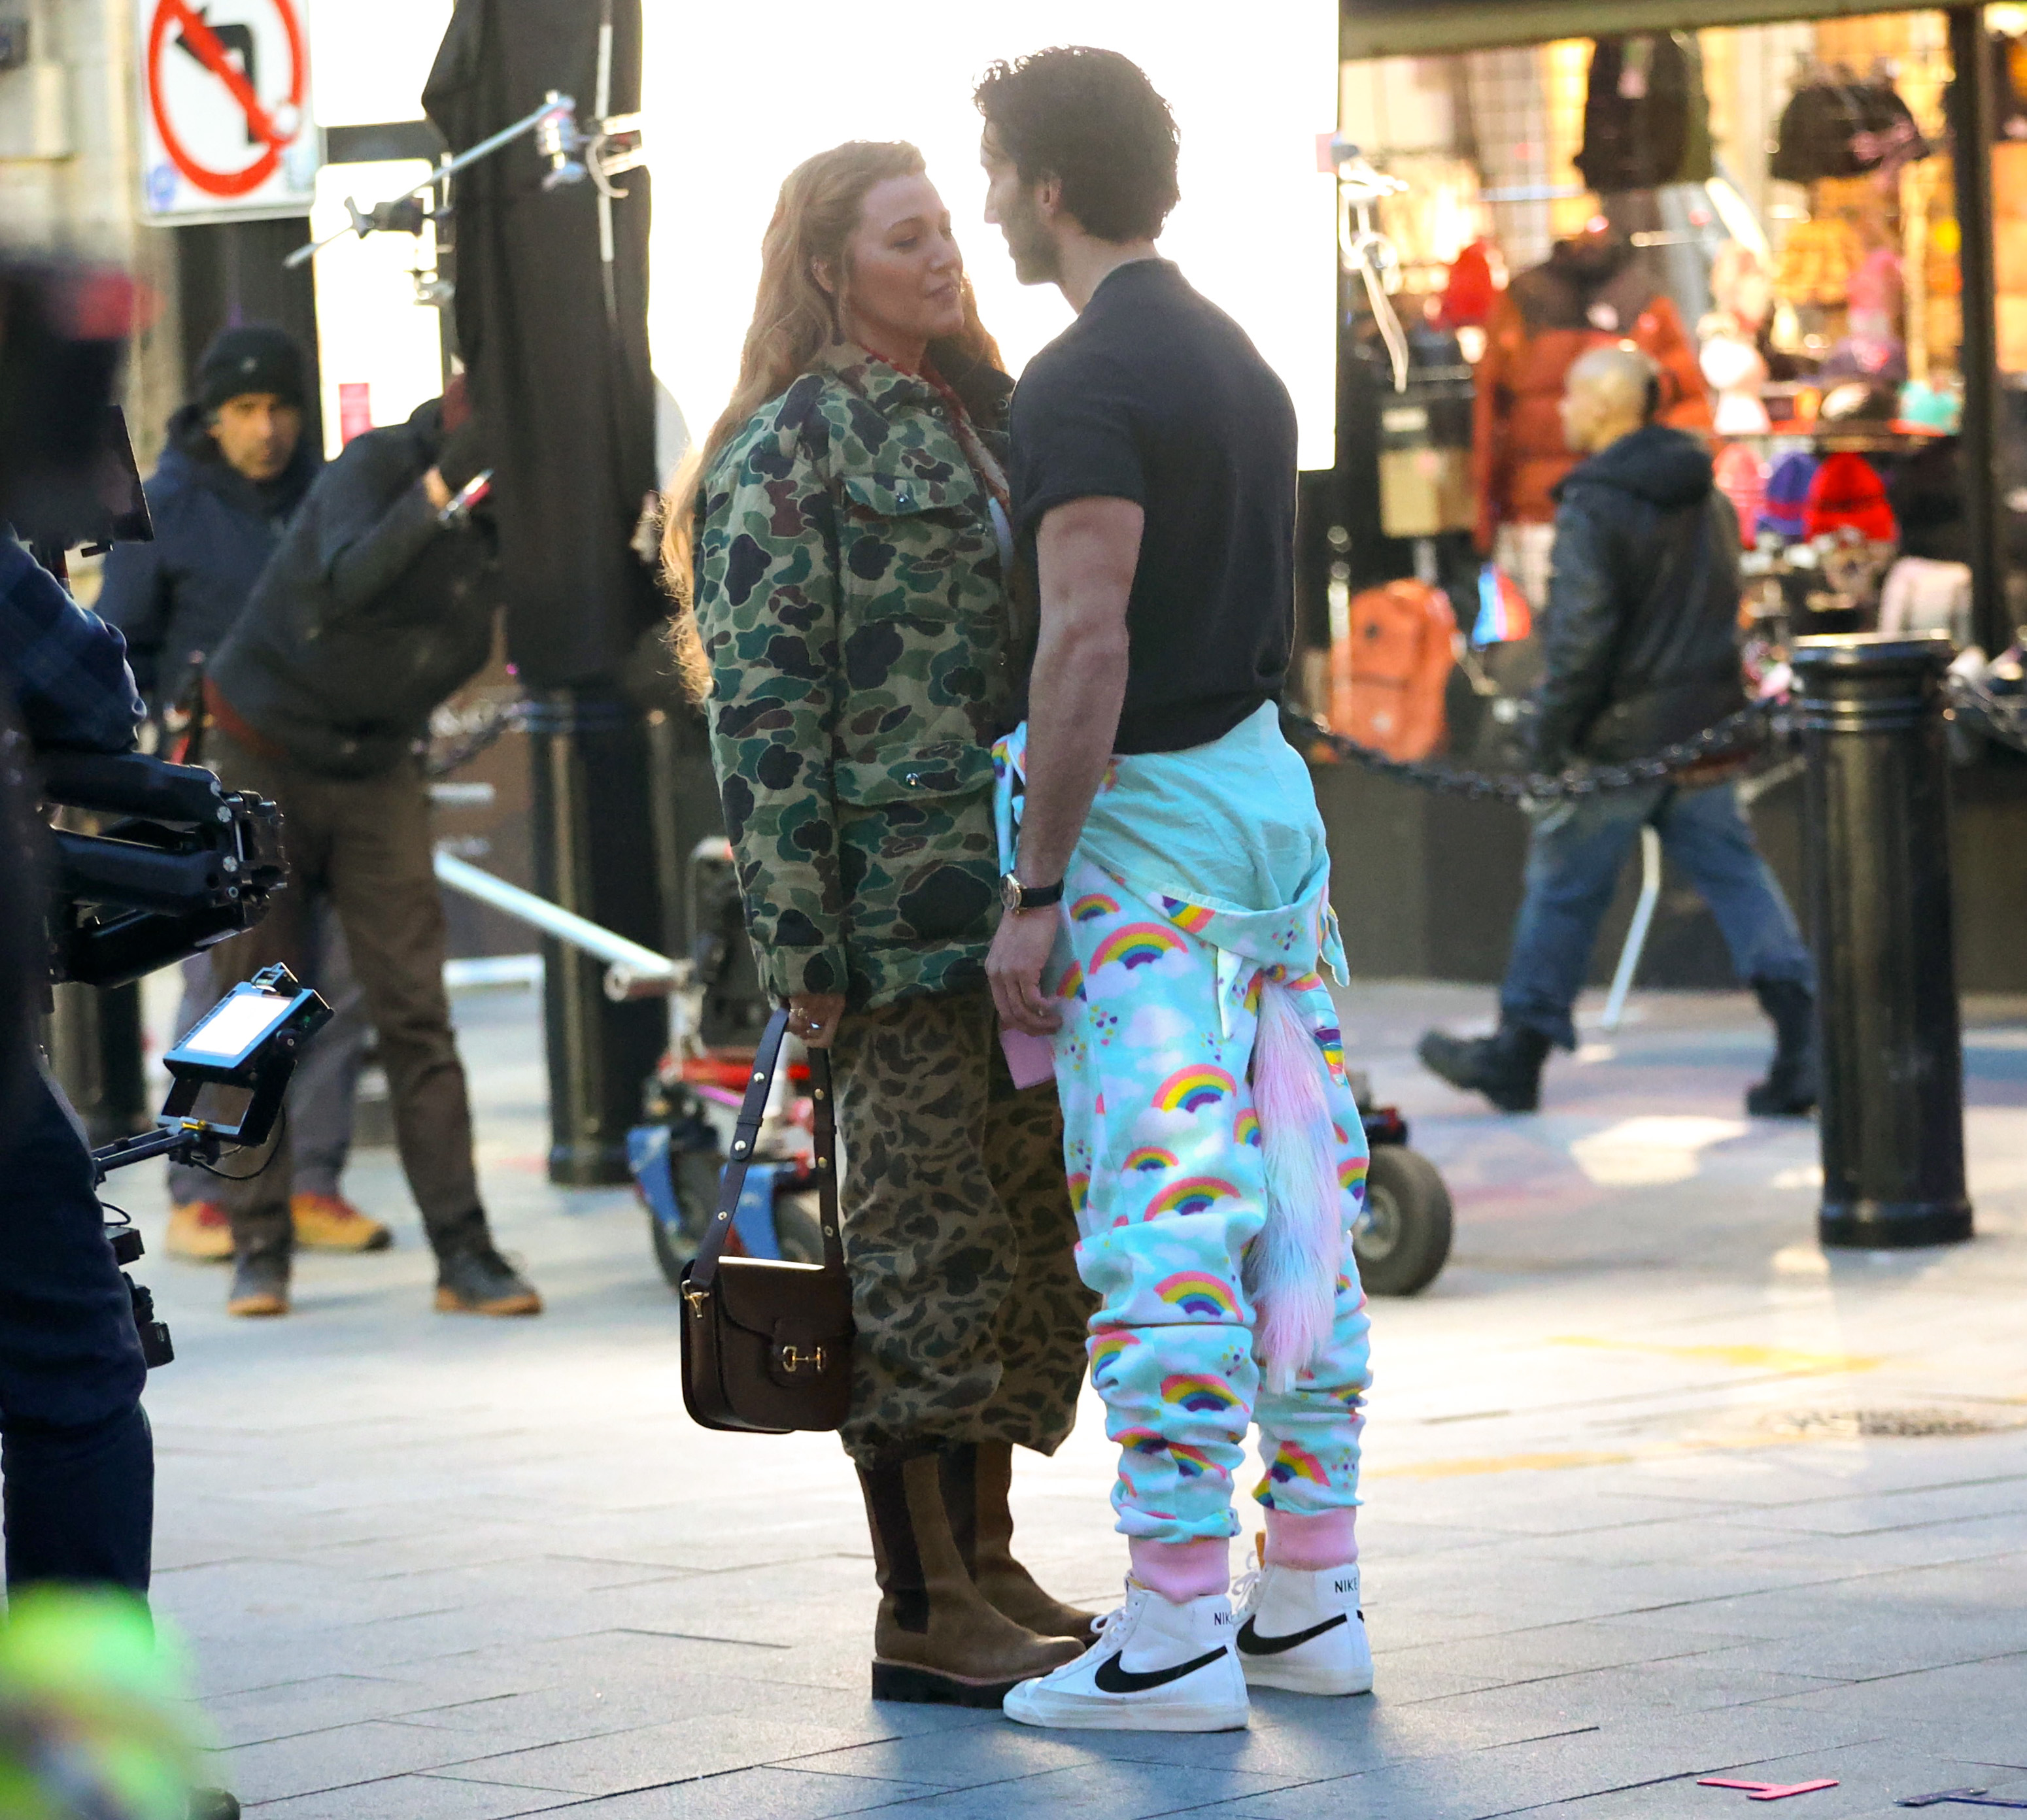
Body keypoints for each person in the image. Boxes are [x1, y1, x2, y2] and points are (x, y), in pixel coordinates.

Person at [975, 48, 1374, 1734]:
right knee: (1299, 1209)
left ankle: (1171, 1626)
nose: (988, 200)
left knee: (1161, 1225)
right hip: (1273, 830)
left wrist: (1033, 884)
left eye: (993, 173)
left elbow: (1086, 636)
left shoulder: (1082, 381)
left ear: (1046, 187)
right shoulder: (1234, 356)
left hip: (1143, 844)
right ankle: (1310, 1594)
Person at [672, 141, 1095, 1708]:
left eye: (943, 230)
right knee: (909, 1261)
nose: (942, 256)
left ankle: (983, 1557)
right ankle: (916, 1605)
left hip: (1008, 916)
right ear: (826, 266)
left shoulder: (982, 417)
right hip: (891, 932)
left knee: (1011, 1247)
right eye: (904, 237)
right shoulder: (785, 450)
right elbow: (766, 725)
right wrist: (800, 953)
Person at [198, 379, 539, 1321]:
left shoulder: (510, 522)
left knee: (415, 1010)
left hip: (375, 762)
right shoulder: (377, 467)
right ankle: (256, 1246)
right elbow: (350, 576)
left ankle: (464, 1254)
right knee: (252, 1007)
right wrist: (438, 497)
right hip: (260, 748)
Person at [1418, 346, 1818, 1117]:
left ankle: (1519, 1053)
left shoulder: (1596, 503)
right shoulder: (1705, 495)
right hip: (1700, 729)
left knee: (1563, 890)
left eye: (1570, 396)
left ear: (1605, 407)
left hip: (1617, 740)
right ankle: (1804, 1041)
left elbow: (1581, 641)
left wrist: (1548, 735)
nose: (1561, 410)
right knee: (1737, 877)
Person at [96, 324, 384, 1265]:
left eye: (282, 408)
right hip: (213, 775)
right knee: (230, 986)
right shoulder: (167, 503)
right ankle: (202, 1186)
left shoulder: (328, 492)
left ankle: (315, 1184)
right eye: (248, 411)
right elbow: (123, 640)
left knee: (332, 983)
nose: (269, 429)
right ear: (214, 416)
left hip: (327, 761)